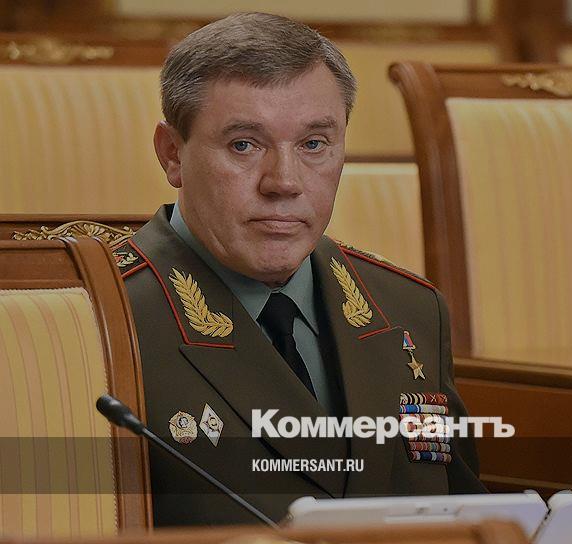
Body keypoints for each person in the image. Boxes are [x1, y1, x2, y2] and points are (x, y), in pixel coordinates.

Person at [110, 12, 486, 526]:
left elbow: (467, 518)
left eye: (313, 144)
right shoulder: (98, 321)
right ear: (173, 154)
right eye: (244, 145)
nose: (284, 182)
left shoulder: (409, 309)